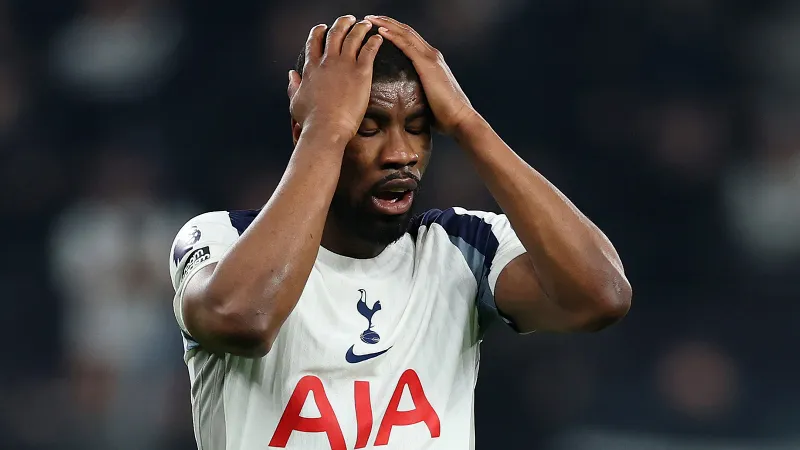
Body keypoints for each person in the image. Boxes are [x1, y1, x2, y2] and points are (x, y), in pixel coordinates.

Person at [168, 15, 632, 450]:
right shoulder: (221, 239)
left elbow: (601, 297)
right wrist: (325, 128)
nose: (401, 154)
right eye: (367, 128)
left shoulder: (462, 247)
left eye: (417, 128)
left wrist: (468, 123)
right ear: (303, 129)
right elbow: (243, 320)